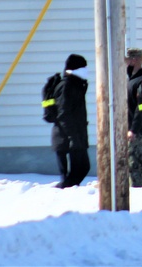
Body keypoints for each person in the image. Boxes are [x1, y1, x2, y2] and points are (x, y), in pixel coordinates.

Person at [52, 54, 90, 188]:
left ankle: (68, 190)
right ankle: (63, 193)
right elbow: (64, 114)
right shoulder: (67, 86)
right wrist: (72, 136)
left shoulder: (77, 84)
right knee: (75, 173)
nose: (86, 70)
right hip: (67, 137)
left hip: (76, 136)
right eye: (83, 67)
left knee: (83, 168)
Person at [125, 48, 142, 188]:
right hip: (133, 130)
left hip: (137, 132)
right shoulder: (132, 81)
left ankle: (139, 197)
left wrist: (133, 130)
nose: (125, 63)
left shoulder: (141, 82)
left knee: (136, 167)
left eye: (127, 60)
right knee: (134, 166)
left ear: (134, 60)